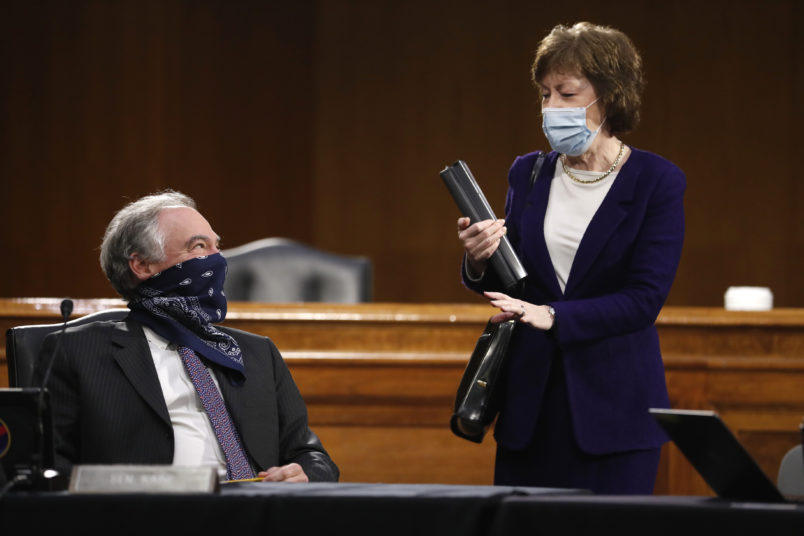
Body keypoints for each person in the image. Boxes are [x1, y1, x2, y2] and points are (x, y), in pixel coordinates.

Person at [456, 22, 684, 494]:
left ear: (611, 94)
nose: (551, 108)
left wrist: (552, 315)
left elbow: (644, 300)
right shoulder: (529, 173)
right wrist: (479, 260)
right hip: (530, 410)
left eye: (566, 93)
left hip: (614, 413)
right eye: (545, 95)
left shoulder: (656, 181)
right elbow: (516, 283)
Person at [36, 190, 339, 483]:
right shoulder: (77, 352)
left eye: (216, 246)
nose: (218, 260)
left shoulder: (256, 352)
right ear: (142, 265)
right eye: (198, 247)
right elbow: (47, 468)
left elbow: (310, 454)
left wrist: (305, 472)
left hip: (256, 513)